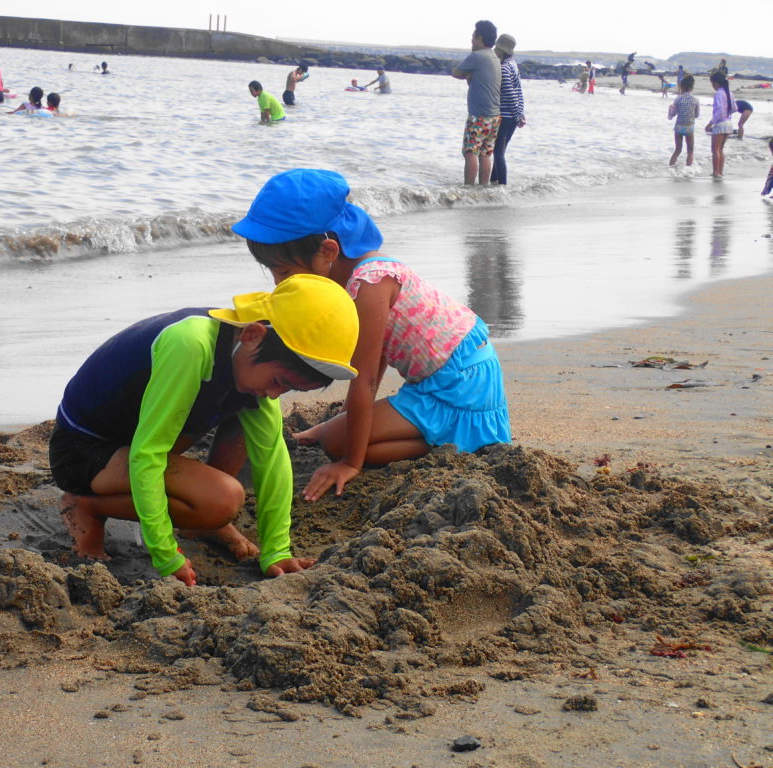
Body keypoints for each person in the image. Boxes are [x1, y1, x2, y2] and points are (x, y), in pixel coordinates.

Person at [51, 274, 360, 586]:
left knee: (248, 412)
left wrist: (277, 550)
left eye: (289, 389)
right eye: (279, 382)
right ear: (253, 334)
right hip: (84, 449)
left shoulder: (247, 355)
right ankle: (86, 505)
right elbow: (148, 453)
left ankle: (203, 521)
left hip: (136, 434)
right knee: (223, 499)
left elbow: (272, 456)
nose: (275, 395)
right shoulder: (191, 344)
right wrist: (165, 553)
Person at [236, 168, 510, 501]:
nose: (281, 285)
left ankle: (448, 441)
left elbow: (363, 380)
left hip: (460, 384)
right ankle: (432, 434)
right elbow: (377, 353)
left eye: (284, 272)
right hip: (449, 374)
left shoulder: (368, 285)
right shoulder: (351, 273)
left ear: (327, 251)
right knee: (340, 432)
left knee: (338, 444)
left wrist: (351, 463)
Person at [451, 20, 501, 185]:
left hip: (479, 116)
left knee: (470, 152)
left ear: (480, 38)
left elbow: (456, 73)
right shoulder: (494, 56)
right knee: (485, 154)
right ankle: (483, 187)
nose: (471, 40)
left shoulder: (477, 56)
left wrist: (468, 75)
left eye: (473, 37)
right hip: (494, 116)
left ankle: (469, 189)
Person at [490, 34, 525, 186]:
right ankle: (492, 182)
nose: (494, 51)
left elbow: (510, 93)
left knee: (498, 152)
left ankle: (502, 186)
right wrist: (520, 113)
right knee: (500, 151)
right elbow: (519, 92)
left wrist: (517, 116)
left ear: (500, 50)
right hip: (513, 115)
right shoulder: (513, 65)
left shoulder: (504, 67)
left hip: (506, 116)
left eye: (496, 49)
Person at [706, 72, 736, 178]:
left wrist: (710, 123)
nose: (712, 85)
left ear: (716, 83)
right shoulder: (729, 93)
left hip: (720, 124)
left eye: (712, 83)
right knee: (720, 149)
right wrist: (728, 115)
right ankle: (720, 172)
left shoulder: (719, 93)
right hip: (729, 123)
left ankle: (716, 172)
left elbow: (720, 111)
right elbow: (734, 108)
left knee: (715, 149)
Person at [668, 75, 699, 167]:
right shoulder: (695, 100)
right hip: (689, 127)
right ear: (692, 87)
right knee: (690, 150)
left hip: (678, 127)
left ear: (682, 87)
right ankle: (688, 171)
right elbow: (697, 115)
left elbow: (672, 115)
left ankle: (670, 168)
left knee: (678, 150)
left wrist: (670, 110)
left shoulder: (678, 98)